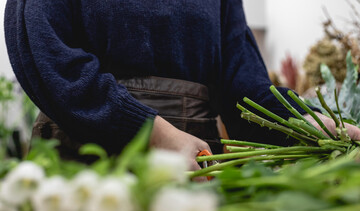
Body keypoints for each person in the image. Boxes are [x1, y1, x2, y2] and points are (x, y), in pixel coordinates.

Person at [5, 0, 360, 172]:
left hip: (196, 170)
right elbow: (44, 51)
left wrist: (303, 121)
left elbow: (242, 81)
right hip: (81, 165)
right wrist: (151, 133)